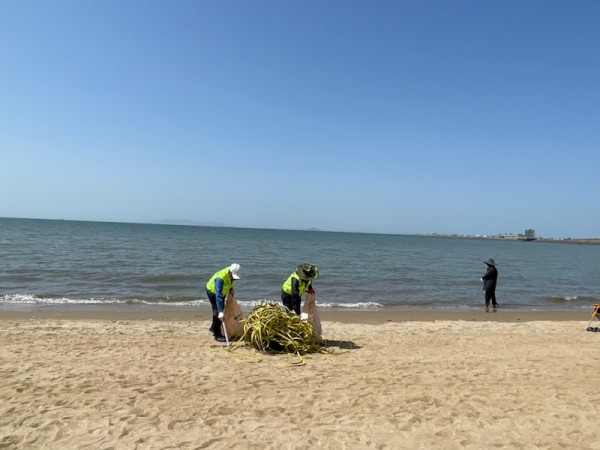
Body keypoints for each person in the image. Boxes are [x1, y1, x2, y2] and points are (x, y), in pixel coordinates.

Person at [206, 263, 241, 342]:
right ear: (230, 273)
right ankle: (217, 335)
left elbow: (229, 281)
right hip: (212, 292)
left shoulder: (231, 273)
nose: (234, 279)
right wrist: (221, 312)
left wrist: (230, 289)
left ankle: (213, 327)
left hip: (222, 292)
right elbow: (218, 296)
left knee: (220, 309)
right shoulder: (220, 279)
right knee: (217, 312)